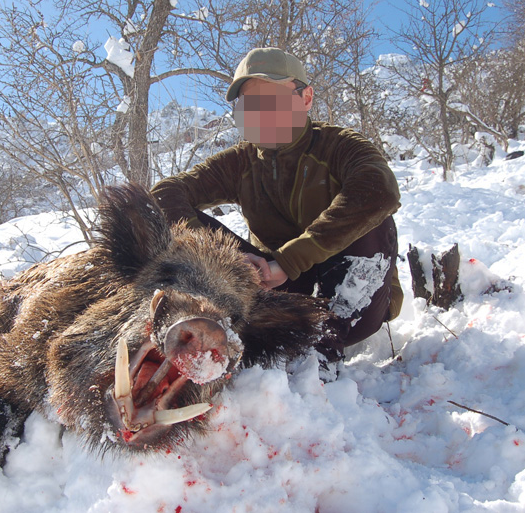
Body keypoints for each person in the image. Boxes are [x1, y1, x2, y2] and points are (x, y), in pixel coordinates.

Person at [150, 47, 403, 364]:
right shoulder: (241, 160)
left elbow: (381, 190)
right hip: (278, 291)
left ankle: (322, 349)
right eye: (250, 106)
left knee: (374, 208)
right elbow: (165, 193)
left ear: (306, 98)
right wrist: (235, 260)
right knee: (177, 217)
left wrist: (289, 261)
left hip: (353, 298)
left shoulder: (339, 146)